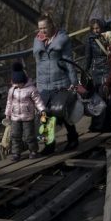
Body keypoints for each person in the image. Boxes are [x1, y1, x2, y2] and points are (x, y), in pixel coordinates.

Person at [33, 14, 79, 152]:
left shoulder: (62, 40)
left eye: (44, 27)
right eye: (40, 28)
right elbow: (37, 64)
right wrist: (37, 84)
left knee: (61, 111)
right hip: (43, 84)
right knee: (44, 115)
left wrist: (74, 82)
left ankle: (73, 138)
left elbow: (68, 61)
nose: (42, 31)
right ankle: (49, 144)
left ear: (51, 25)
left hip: (60, 83)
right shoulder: (37, 40)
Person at [4, 62, 46, 160]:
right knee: (15, 135)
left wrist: (42, 109)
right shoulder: (12, 90)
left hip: (28, 116)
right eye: (16, 83)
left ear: (24, 81)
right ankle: (16, 153)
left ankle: (33, 151)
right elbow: (9, 102)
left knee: (29, 135)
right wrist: (7, 114)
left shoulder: (31, 89)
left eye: (20, 83)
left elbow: (37, 100)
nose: (18, 85)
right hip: (15, 117)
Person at [84, 18, 111, 97]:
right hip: (96, 69)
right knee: (100, 92)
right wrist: (85, 70)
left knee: (109, 90)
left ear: (102, 28)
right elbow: (88, 56)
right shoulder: (90, 39)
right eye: (93, 29)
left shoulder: (108, 36)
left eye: (97, 28)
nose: (95, 30)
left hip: (108, 67)